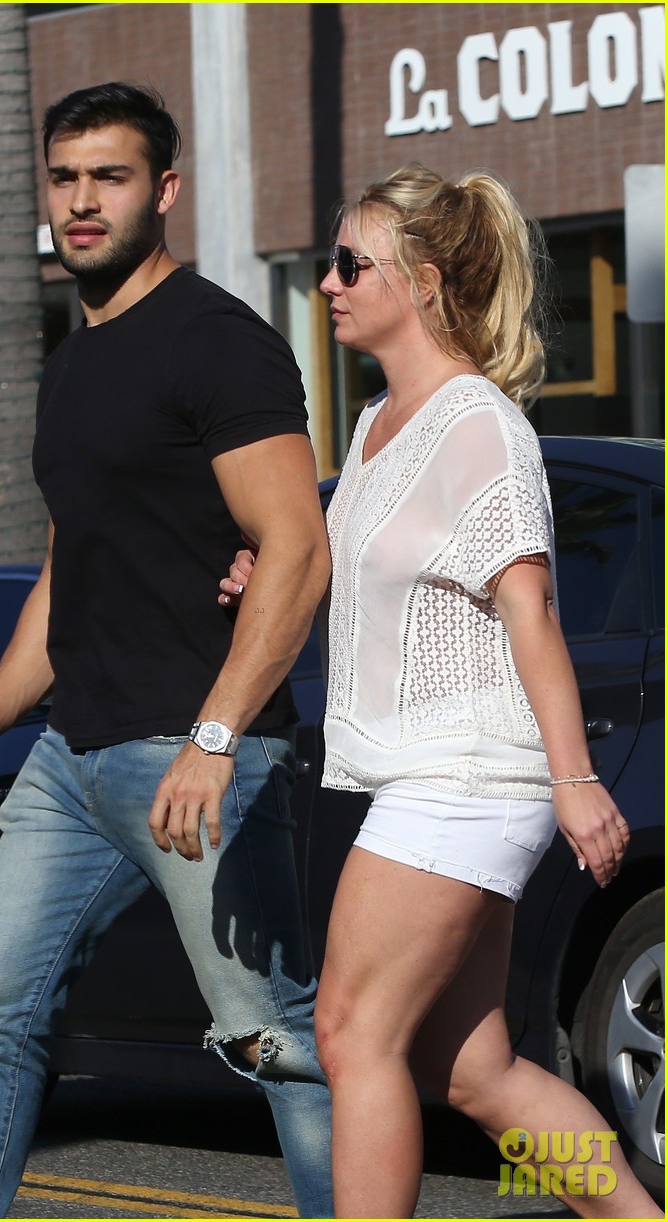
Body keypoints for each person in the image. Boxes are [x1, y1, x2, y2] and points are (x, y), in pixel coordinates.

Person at [0, 82, 333, 1219]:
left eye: (110, 176)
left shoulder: (219, 342)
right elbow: (68, 577)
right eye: (64, 178)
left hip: (198, 752)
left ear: (165, 190)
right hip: (71, 760)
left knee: (271, 1041)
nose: (82, 200)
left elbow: (296, 547)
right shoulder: (71, 367)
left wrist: (215, 736)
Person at [219, 163, 663, 1220]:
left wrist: (574, 779)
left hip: (464, 775)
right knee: (472, 1070)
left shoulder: (478, 426)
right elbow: (367, 576)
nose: (327, 283)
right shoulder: (380, 423)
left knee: (351, 1033)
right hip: (423, 773)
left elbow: (530, 609)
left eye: (348, 264)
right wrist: (267, 571)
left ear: (419, 282)